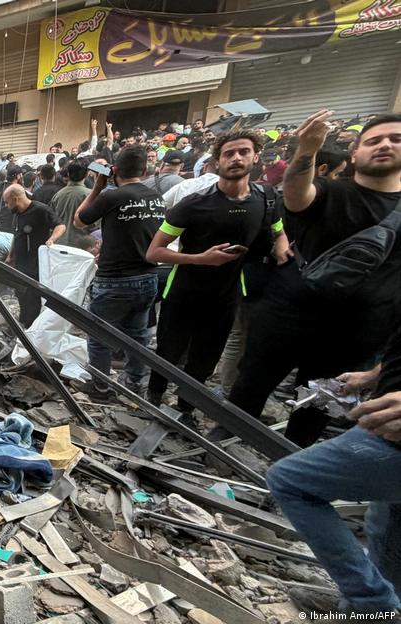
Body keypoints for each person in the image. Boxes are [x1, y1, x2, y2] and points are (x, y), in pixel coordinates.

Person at [225, 111, 401, 447]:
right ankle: (226, 437)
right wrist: (306, 151)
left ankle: (292, 452)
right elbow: (295, 194)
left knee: (320, 401)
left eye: (395, 139)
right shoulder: (331, 192)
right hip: (289, 312)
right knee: (253, 380)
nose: (385, 145)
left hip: (359, 330)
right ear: (355, 154)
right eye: (374, 140)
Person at [144, 130, 291, 416]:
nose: (236, 158)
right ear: (217, 161)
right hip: (184, 291)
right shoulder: (194, 204)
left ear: (255, 157)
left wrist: (281, 247)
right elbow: (154, 252)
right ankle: (153, 400)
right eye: (229, 153)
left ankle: (186, 408)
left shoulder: (267, 199)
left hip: (227, 295)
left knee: (206, 358)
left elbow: (279, 231)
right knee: (168, 352)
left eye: (243, 152)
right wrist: (201, 259)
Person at [266, 322, 401, 617]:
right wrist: (373, 375)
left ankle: (372, 604)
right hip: (389, 425)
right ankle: (370, 609)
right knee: (389, 524)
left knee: (290, 481)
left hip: (393, 436)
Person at [72, 146, 167, 398]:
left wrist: (97, 187)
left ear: (114, 171)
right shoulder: (156, 196)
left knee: (99, 335)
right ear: (145, 170)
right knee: (138, 335)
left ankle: (101, 386)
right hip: (148, 277)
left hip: (114, 280)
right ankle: (133, 384)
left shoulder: (112, 196)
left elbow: (79, 220)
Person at [2, 184, 65, 327]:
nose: (6, 205)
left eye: (7, 202)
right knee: (20, 293)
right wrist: (11, 256)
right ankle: (24, 322)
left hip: (36, 264)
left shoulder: (41, 210)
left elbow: (60, 226)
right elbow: (17, 235)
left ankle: (32, 327)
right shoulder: (17, 213)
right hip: (21, 264)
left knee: (32, 296)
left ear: (16, 198)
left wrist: (51, 240)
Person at [49, 161, 92, 247]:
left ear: (68, 174)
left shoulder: (57, 195)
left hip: (59, 244)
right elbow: (95, 224)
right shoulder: (90, 195)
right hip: (81, 246)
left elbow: (51, 221)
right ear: (86, 175)